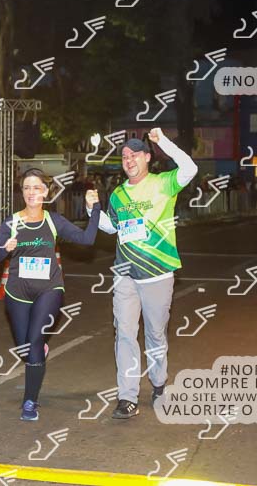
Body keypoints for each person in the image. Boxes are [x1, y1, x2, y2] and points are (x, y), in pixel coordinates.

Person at [91, 128, 198, 419]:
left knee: (155, 334)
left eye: (135, 155)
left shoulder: (163, 183)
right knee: (124, 334)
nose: (129, 160)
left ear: (148, 157)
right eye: (125, 156)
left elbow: (190, 168)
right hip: (125, 274)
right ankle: (127, 397)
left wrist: (163, 142)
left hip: (158, 273)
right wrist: (93, 211)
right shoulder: (118, 194)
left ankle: (159, 383)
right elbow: (113, 228)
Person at [0, 168, 101, 421]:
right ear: (22, 192)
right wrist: (4, 248)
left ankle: (29, 402)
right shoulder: (11, 223)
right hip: (17, 292)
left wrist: (94, 210)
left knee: (34, 343)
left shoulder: (53, 221)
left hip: (49, 289)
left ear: (45, 192)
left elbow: (87, 239)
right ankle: (36, 350)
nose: (31, 192)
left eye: (36, 187)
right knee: (25, 349)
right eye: (27, 188)